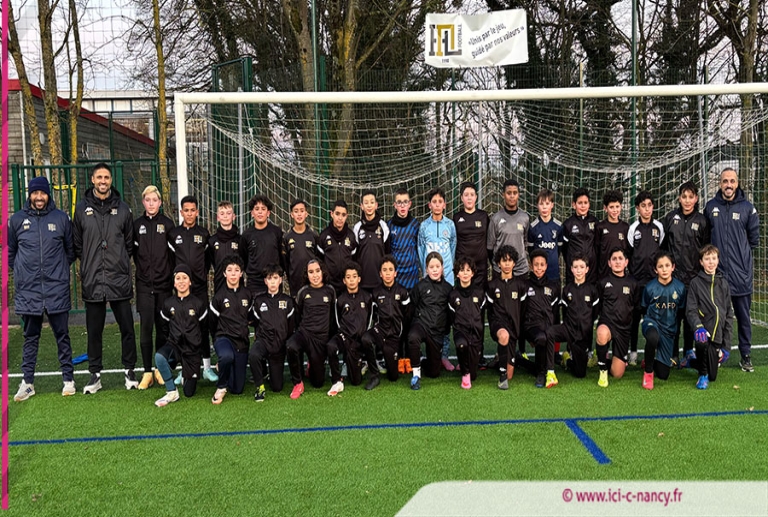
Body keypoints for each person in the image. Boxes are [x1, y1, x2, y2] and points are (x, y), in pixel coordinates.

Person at [9, 176, 76, 400]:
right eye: (35, 193)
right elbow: (11, 254)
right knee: (30, 337)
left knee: (62, 335)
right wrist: (22, 272)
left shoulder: (61, 218)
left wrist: (56, 272)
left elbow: (70, 251)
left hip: (56, 289)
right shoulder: (16, 220)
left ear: (48, 194)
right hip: (29, 291)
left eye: (43, 193)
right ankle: (27, 382)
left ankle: (68, 379)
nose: (39, 197)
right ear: (30, 195)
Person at [73, 163, 138, 394]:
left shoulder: (123, 210)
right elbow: (78, 245)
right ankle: (95, 374)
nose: (103, 181)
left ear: (111, 180)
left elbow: (129, 244)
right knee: (94, 331)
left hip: (118, 279)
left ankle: (130, 371)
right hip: (93, 280)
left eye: (107, 177)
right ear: (92, 180)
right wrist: (92, 265)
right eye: (99, 177)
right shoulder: (81, 210)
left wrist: (118, 262)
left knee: (127, 329)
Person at [705, 168, 760, 372]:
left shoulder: (748, 208)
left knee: (743, 317)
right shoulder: (711, 207)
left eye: (732, 181)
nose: (729, 185)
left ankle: (745, 355)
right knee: (717, 316)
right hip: (718, 276)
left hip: (741, 275)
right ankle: (716, 353)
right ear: (720, 184)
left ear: (737, 184)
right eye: (725, 181)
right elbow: (706, 240)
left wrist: (741, 262)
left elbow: (753, 240)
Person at [167, 195, 217, 383]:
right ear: (181, 212)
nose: (189, 213)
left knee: (202, 327)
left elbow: (207, 261)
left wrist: (199, 278)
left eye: (192, 210)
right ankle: (183, 369)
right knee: (181, 328)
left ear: (197, 212)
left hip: (199, 289)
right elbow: (172, 262)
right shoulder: (173, 234)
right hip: (181, 291)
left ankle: (206, 367)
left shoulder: (204, 234)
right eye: (185, 210)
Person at [133, 185, 175, 390]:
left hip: (164, 286)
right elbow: (133, 252)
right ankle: (147, 371)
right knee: (146, 329)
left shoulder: (167, 224)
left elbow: (173, 256)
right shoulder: (137, 225)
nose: (151, 204)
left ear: (160, 202)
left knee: (162, 328)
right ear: (143, 202)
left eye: (154, 200)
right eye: (147, 200)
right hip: (143, 287)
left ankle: (160, 369)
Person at [662, 181, 709, 363]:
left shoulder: (702, 221)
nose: (687, 201)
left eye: (691, 197)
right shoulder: (670, 218)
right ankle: (672, 353)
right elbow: (664, 248)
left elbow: (705, 250)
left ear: (696, 199)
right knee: (672, 317)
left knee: (691, 317)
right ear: (679, 198)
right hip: (673, 279)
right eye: (684, 197)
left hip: (693, 279)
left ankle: (689, 351)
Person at [154, 265, 208, 407]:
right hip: (175, 346)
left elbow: (203, 329)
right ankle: (171, 391)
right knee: (159, 357)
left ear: (190, 281)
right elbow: (164, 327)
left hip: (192, 350)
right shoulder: (168, 304)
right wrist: (173, 339)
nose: (181, 281)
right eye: (178, 278)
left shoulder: (198, 304)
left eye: (185, 278)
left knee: (189, 393)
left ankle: (187, 374)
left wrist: (196, 345)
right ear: (174, 282)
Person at [418, 187, 457, 371]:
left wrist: (446, 270)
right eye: (434, 202)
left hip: (447, 278)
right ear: (429, 205)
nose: (437, 205)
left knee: (445, 317)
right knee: (429, 315)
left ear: (444, 204)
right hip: (429, 278)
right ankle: (431, 353)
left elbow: (453, 246)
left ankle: (445, 356)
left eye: (440, 202)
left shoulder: (450, 225)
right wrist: (427, 272)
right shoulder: (424, 226)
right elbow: (420, 249)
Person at [685, 245, 734, 389]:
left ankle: (691, 362)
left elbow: (729, 315)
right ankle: (702, 375)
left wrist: (726, 346)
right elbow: (691, 310)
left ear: (718, 261)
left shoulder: (723, 284)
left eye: (714, 258)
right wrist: (698, 327)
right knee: (701, 342)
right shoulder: (695, 283)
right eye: (707, 259)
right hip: (703, 333)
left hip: (717, 336)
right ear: (701, 262)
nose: (711, 262)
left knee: (714, 375)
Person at [286, 259, 337, 399]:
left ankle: (311, 366)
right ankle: (297, 383)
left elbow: (333, 317)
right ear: (306, 275)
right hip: (304, 333)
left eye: (317, 271)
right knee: (291, 346)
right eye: (311, 272)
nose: (315, 275)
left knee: (318, 383)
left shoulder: (330, 291)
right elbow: (298, 314)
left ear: (322, 272)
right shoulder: (303, 292)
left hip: (320, 338)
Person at [361, 255, 411, 390]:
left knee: (393, 377)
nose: (387, 273)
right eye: (384, 270)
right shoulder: (375, 293)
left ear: (395, 273)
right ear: (380, 274)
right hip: (380, 331)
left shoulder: (403, 292)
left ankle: (387, 357)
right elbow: (372, 315)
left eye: (390, 270)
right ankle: (374, 375)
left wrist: (402, 339)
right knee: (366, 339)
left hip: (394, 335)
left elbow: (407, 315)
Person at [209, 256, 253, 404]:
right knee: (226, 356)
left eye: (236, 270)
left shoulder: (248, 294)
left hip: (241, 342)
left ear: (241, 274)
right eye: (230, 270)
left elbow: (251, 317)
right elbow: (212, 322)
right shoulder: (219, 297)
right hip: (224, 338)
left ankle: (223, 366)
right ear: (224, 273)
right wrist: (217, 340)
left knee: (237, 389)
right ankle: (220, 387)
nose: (233, 274)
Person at [627, 191, 665, 365]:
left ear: (653, 207)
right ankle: (633, 352)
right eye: (643, 206)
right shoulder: (633, 229)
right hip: (636, 283)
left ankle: (656, 352)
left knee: (655, 318)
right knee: (635, 319)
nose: (647, 209)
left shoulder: (659, 228)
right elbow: (629, 253)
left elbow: (661, 252)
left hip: (654, 284)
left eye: (650, 205)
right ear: (637, 208)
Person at [547, 255, 600, 379]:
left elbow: (594, 314)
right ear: (571, 269)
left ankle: (567, 361)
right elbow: (565, 312)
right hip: (568, 330)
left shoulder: (592, 290)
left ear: (587, 269)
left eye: (582, 267)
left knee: (580, 373)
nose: (579, 270)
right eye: (576, 267)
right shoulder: (567, 290)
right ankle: (549, 369)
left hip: (582, 336)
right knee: (549, 332)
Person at [640, 252, 686, 390]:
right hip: (652, 323)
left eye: (667, 265)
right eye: (660, 266)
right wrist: (648, 323)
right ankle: (648, 373)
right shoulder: (649, 288)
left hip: (668, 330)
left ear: (673, 267)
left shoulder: (680, 288)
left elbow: (680, 313)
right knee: (653, 337)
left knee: (663, 374)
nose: (664, 269)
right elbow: (644, 308)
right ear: (655, 270)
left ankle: (649, 360)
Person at [594, 248, 639, 388]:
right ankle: (602, 371)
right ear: (609, 263)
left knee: (617, 373)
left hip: (623, 329)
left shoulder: (633, 283)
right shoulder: (603, 282)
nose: (617, 262)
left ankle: (602, 356)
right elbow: (598, 306)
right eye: (614, 259)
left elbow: (636, 308)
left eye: (620, 259)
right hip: (607, 324)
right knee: (601, 333)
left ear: (626, 262)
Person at [407, 251, 452, 390]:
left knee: (434, 373)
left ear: (442, 268)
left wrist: (445, 329)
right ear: (426, 269)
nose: (434, 270)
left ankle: (423, 361)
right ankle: (416, 375)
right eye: (431, 267)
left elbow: (450, 313)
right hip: (421, 325)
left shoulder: (448, 289)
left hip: (437, 331)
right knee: (413, 337)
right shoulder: (420, 286)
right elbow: (411, 308)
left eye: (437, 266)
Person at [249, 264, 295, 401]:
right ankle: (260, 386)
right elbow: (256, 323)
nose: (273, 281)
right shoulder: (259, 301)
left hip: (279, 346)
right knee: (254, 354)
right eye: (270, 278)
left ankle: (271, 374)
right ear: (265, 282)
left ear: (281, 280)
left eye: (275, 278)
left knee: (277, 387)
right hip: (264, 341)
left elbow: (291, 326)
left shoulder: (288, 301)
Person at [326, 262, 373, 395]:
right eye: (348, 277)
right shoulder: (340, 300)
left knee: (356, 381)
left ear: (359, 279)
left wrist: (361, 338)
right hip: (344, 337)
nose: (351, 280)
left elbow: (370, 320)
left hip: (358, 341)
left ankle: (360, 362)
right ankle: (336, 381)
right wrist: (345, 336)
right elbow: (336, 321)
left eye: (354, 276)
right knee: (331, 346)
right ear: (344, 280)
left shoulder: (367, 297)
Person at [517, 249, 560, 388]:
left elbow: (554, 311)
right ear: (531, 266)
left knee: (547, 334)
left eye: (542, 265)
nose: (539, 268)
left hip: (546, 326)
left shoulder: (553, 286)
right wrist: (526, 335)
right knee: (541, 337)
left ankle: (522, 361)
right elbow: (521, 311)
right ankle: (541, 374)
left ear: (546, 266)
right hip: (531, 327)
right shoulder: (525, 285)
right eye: (536, 264)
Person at [485, 245, 527, 390]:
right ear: (498, 264)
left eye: (510, 261)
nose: (507, 264)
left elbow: (523, 310)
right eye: (504, 261)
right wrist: (493, 327)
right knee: (503, 335)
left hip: (513, 328)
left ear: (514, 263)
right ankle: (502, 378)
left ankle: (501, 360)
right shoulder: (492, 286)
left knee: (511, 374)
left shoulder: (521, 286)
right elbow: (489, 311)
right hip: (499, 326)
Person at [448, 257, 485, 390]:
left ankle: (465, 366)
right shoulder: (453, 295)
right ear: (457, 273)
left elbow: (481, 315)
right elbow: (452, 317)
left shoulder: (480, 293)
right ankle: (465, 374)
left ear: (472, 273)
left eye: (468, 270)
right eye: (462, 270)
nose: (465, 273)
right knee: (461, 345)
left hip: (475, 333)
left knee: (474, 374)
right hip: (460, 332)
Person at [241, 194, 284, 297]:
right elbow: (243, 258)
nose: (260, 212)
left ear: (268, 213)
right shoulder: (246, 235)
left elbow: (281, 257)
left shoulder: (276, 232)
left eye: (263, 209)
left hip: (273, 280)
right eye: (256, 209)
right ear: (252, 213)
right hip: (254, 284)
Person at [487, 179, 529, 278]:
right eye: (509, 193)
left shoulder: (525, 218)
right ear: (503, 195)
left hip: (520, 270)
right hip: (500, 271)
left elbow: (526, 243)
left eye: (515, 193)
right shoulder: (495, 219)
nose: (512, 196)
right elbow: (490, 248)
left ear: (518, 195)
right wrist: (498, 264)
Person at [353, 190, 390, 291]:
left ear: (376, 205)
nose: (369, 205)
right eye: (366, 203)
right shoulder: (357, 228)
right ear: (361, 206)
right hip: (362, 283)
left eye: (372, 202)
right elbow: (354, 257)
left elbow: (387, 254)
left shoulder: (383, 227)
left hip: (380, 282)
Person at [318, 200, 358, 293]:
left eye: (343, 215)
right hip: (329, 285)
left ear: (346, 216)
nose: (340, 218)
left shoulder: (351, 236)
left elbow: (355, 260)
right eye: (337, 214)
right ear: (332, 214)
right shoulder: (323, 236)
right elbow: (320, 261)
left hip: (347, 285)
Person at [561, 187, 598, 286]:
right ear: (574, 205)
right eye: (580, 203)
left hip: (591, 271)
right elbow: (564, 249)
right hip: (574, 272)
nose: (583, 206)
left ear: (589, 204)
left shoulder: (595, 222)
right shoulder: (568, 224)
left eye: (585, 203)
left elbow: (597, 245)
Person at [284, 199, 321, 297]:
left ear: (306, 213)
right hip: (295, 285)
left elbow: (318, 259)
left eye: (302, 211)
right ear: (291, 214)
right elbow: (286, 262)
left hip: (312, 284)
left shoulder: (313, 235)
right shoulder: (287, 237)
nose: (299, 214)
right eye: (296, 211)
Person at [388, 188, 420, 290]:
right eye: (399, 202)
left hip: (412, 274)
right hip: (396, 274)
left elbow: (419, 248)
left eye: (405, 202)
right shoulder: (389, 225)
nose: (402, 205)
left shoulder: (415, 225)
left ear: (410, 204)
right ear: (395, 205)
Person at [527, 188, 562, 283]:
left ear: (552, 205)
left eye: (547, 203)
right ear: (537, 206)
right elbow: (531, 251)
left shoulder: (558, 226)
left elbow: (559, 249)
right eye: (541, 204)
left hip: (553, 273)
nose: (544, 207)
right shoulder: (533, 227)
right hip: (538, 274)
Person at [595, 190, 630, 282]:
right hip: (604, 274)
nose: (615, 210)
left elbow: (628, 251)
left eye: (617, 206)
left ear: (621, 207)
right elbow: (596, 251)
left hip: (621, 274)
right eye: (611, 207)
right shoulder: (600, 227)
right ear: (605, 208)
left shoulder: (625, 227)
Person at [208, 200, 241, 295]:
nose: (225, 216)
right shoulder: (212, 241)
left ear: (234, 216)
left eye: (228, 213)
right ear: (218, 218)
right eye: (222, 214)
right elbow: (212, 262)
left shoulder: (240, 240)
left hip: (237, 285)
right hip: (219, 283)